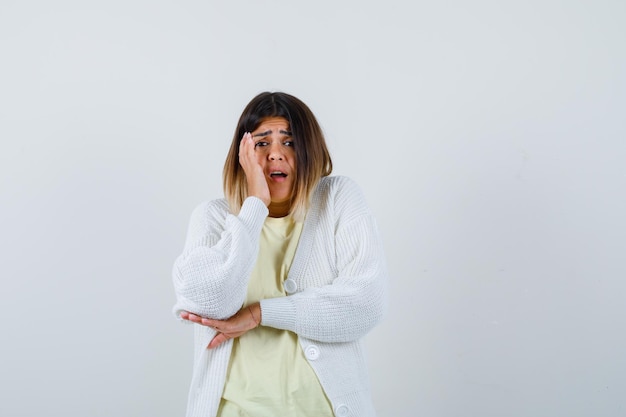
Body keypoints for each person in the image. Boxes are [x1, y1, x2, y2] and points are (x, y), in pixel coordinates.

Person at [172, 92, 388, 417]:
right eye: (261, 143)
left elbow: (365, 304)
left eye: (289, 142)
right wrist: (255, 205)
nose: (276, 155)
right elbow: (209, 302)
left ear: (309, 150)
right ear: (242, 156)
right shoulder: (213, 218)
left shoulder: (338, 199)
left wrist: (259, 313)